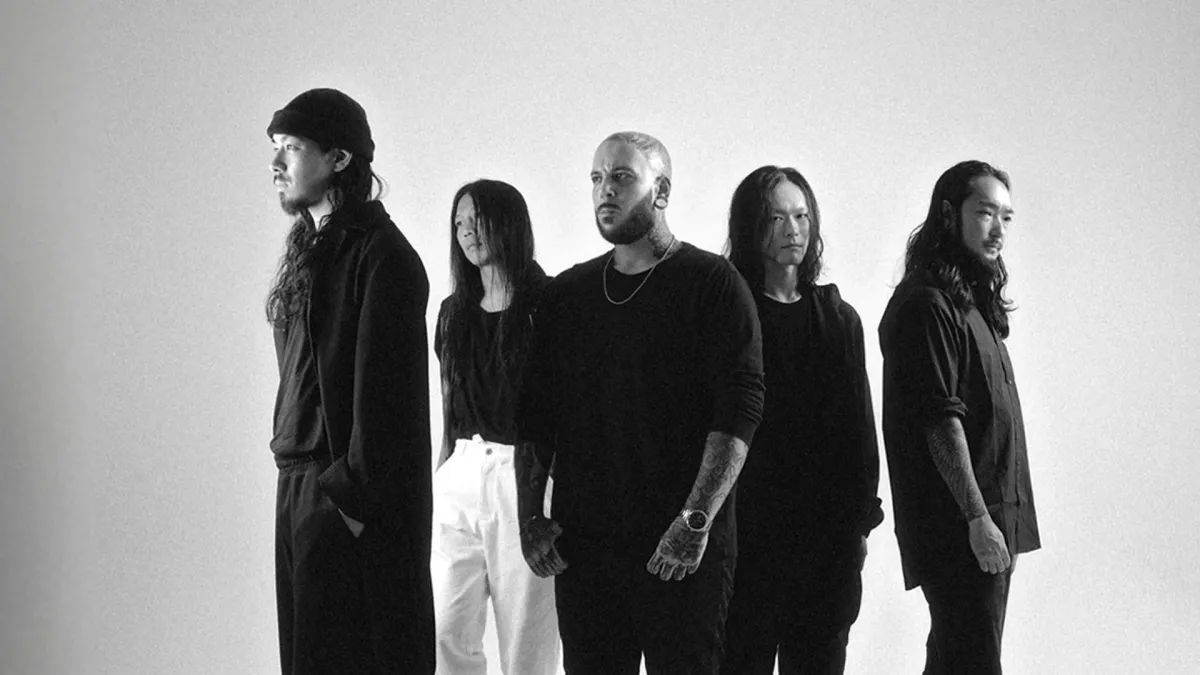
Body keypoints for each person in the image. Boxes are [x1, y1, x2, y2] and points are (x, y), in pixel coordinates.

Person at [514, 131, 765, 674]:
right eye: (597, 178)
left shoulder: (712, 284)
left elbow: (738, 413)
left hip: (678, 548)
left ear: (662, 191)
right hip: (586, 551)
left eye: (623, 177)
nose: (605, 189)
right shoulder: (567, 295)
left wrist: (694, 521)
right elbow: (536, 416)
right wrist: (529, 515)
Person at [265, 88, 435, 675]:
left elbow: (387, 400)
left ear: (339, 158)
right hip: (298, 488)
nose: (276, 163)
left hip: (341, 494)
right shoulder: (309, 252)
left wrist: (348, 502)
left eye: (292, 147)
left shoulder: (383, 255)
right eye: (275, 148)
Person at [878, 160, 1040, 674]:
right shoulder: (926, 304)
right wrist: (977, 518)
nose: (998, 229)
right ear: (949, 215)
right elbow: (939, 421)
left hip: (994, 519)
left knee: (954, 661)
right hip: (961, 528)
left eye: (1006, 217)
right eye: (985, 213)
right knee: (972, 662)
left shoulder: (970, 302)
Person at [720, 165, 883, 674]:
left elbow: (860, 432)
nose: (792, 229)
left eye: (801, 216)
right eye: (776, 218)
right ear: (750, 226)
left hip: (824, 547)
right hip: (747, 542)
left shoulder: (838, 319)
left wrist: (859, 527)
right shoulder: (728, 315)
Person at [430, 179, 560, 674]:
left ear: (507, 222)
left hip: (524, 477)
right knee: (445, 630)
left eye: (477, 219)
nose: (467, 232)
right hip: (461, 474)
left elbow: (565, 406)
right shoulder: (452, 313)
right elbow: (449, 405)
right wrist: (442, 474)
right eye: (459, 223)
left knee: (527, 638)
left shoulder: (549, 304)